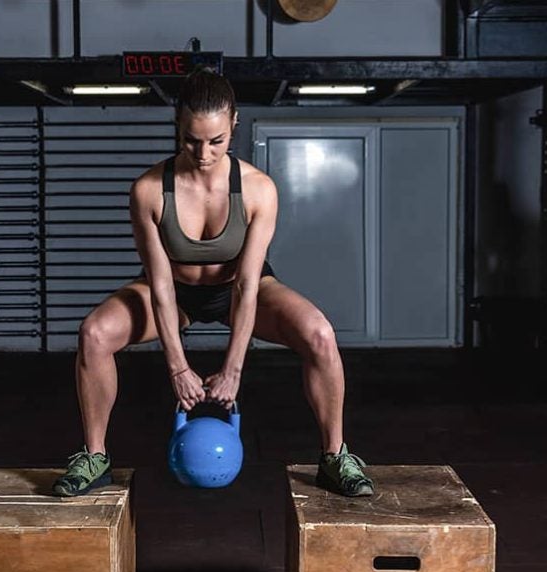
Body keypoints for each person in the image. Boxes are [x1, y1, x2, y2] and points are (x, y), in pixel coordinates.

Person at [52, 69, 373, 498]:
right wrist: (178, 368)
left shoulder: (259, 190)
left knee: (319, 333)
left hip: (242, 288)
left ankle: (335, 456)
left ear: (234, 124)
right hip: (175, 293)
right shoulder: (149, 191)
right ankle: (94, 456)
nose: (203, 152)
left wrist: (232, 371)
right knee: (93, 333)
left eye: (216, 141)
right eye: (191, 139)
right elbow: (161, 286)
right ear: (178, 127)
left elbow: (246, 286)